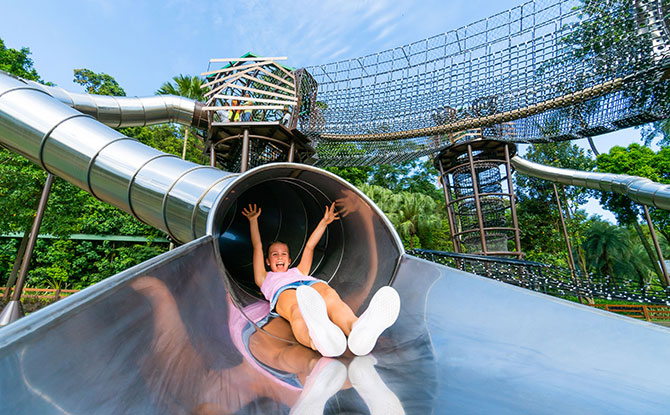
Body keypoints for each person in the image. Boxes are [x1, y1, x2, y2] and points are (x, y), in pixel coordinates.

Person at [242, 202, 400, 357]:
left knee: (331, 298)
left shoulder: (299, 270)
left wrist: (324, 223)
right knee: (297, 310)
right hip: (284, 290)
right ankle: (318, 340)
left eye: (283, 253)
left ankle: (357, 329)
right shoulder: (263, 277)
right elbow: (257, 246)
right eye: (274, 254)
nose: (280, 256)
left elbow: (310, 246)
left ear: (289, 260)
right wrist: (253, 221)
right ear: (268, 261)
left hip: (310, 285)